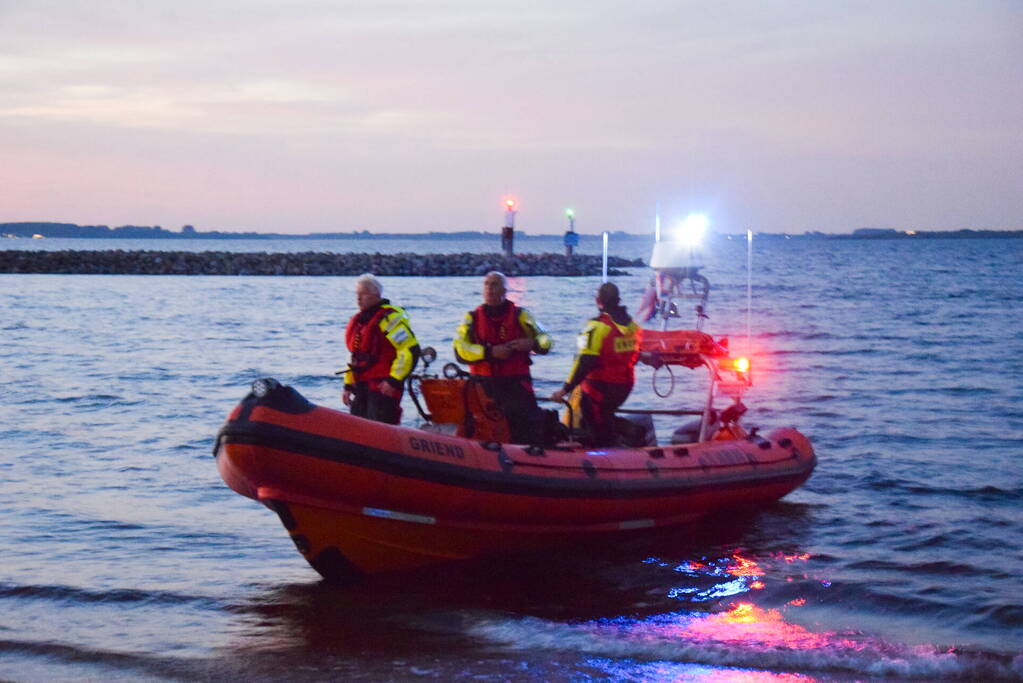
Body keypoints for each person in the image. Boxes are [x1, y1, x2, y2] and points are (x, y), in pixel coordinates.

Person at [453, 271, 553, 444]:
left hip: (515, 383)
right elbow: (460, 350)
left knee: (525, 425)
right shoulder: (472, 318)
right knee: (474, 425)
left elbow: (546, 340)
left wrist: (532, 344)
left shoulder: (521, 315)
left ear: (504, 290)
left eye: (495, 284)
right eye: (487, 284)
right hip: (482, 384)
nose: (490, 288)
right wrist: (489, 352)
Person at [552, 282, 641, 446]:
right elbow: (636, 355)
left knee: (597, 426)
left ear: (598, 301)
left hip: (599, 388)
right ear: (618, 300)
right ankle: (620, 438)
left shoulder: (596, 327)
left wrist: (565, 389)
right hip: (624, 387)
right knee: (603, 418)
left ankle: (618, 440)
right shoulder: (633, 327)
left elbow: (584, 361)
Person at [342, 273, 421, 424]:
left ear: (376, 294)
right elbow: (354, 356)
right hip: (362, 387)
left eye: (363, 294)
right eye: (357, 294)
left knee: (381, 427)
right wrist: (347, 384)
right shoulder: (360, 321)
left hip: (382, 387)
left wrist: (393, 380)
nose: (358, 298)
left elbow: (409, 350)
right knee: (357, 429)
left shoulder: (389, 320)